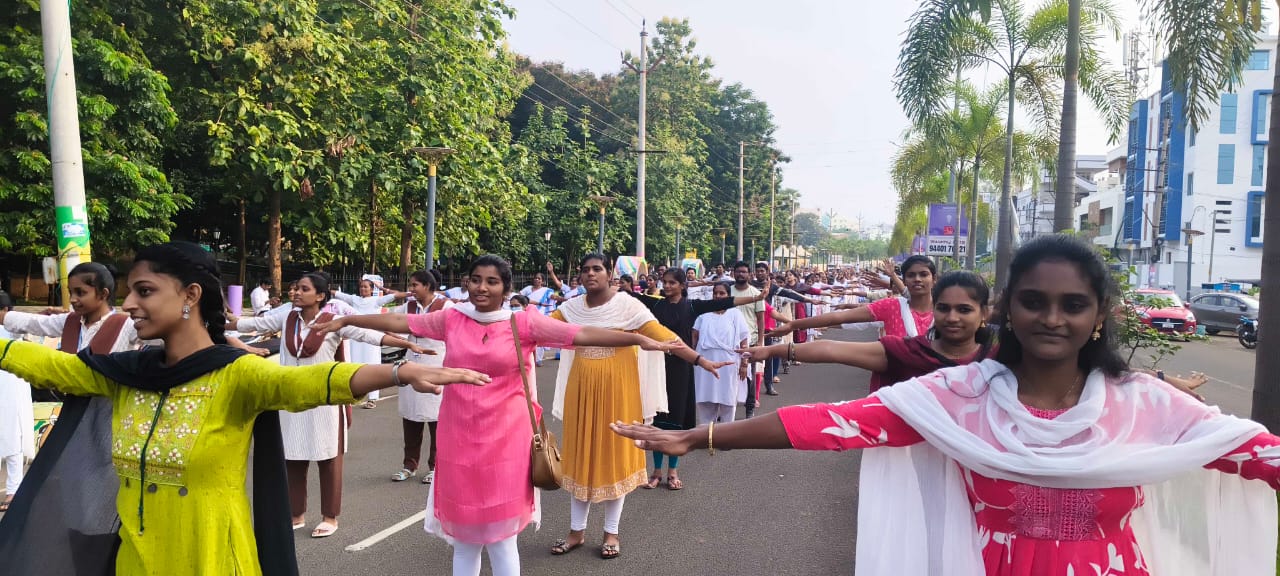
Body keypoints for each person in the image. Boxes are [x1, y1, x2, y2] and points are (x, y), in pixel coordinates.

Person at [613, 234, 1280, 576]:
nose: (1052, 318)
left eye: (1073, 304)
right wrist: (698, 440)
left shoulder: (1144, 405)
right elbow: (837, 425)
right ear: (1007, 311)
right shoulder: (959, 396)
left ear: (1100, 315)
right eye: (1034, 302)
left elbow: (1254, 453)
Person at [0, 241, 488, 576]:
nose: (129, 304)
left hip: (212, 558)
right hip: (136, 560)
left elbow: (308, 381)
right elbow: (46, 365)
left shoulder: (234, 374)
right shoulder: (126, 374)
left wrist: (399, 371)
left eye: (144, 291)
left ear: (191, 296)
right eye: (129, 291)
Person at [313, 254, 683, 576]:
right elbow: (398, 323)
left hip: (507, 439)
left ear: (506, 288)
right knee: (465, 539)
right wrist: (348, 322)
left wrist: (635, 338)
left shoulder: (523, 323)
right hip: (458, 436)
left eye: (492, 282)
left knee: (502, 538)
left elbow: (582, 334)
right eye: (475, 280)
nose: (482, 288)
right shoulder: (452, 319)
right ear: (466, 283)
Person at [549, 254, 727, 560]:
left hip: (620, 390)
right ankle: (576, 532)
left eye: (597, 269)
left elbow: (665, 337)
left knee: (614, 455)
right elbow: (536, 329)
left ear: (609, 275)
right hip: (580, 390)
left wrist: (699, 360)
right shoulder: (571, 308)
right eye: (585, 270)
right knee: (580, 455)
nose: (590, 274)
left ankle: (611, 533)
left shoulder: (628, 305)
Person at [228, 272, 424, 539]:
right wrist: (226, 319)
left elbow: (368, 335)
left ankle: (329, 517)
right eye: (294, 288)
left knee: (328, 459)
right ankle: (296, 514)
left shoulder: (334, 321)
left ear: (320, 295)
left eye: (303, 289)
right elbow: (255, 323)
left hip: (326, 400)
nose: (295, 292)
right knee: (293, 458)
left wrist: (404, 343)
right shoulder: (287, 317)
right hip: (292, 400)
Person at [623, 269, 764, 490]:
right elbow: (632, 297)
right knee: (658, 419)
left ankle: (673, 471)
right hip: (657, 367)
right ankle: (656, 472)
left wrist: (756, 298)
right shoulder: (657, 305)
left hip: (682, 367)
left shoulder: (691, 306)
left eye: (672, 283)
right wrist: (616, 288)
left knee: (676, 420)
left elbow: (729, 301)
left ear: (682, 285)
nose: (667, 286)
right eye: (665, 282)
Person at [742, 271, 994, 394]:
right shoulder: (902, 346)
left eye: (964, 310)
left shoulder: (999, 360)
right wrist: (781, 341)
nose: (952, 318)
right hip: (898, 405)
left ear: (984, 313)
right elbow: (834, 347)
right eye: (944, 309)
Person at [769, 254, 936, 390]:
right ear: (905, 280)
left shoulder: (948, 313)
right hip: (892, 391)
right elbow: (839, 318)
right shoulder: (892, 306)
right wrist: (793, 325)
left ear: (934, 279)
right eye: (911, 275)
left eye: (923, 274)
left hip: (935, 395)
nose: (918, 279)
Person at [390, 270, 451, 485]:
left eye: (415, 285)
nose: (412, 289)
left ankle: (437, 466)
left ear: (427, 285)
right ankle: (409, 465)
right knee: (411, 416)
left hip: (437, 363)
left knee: (437, 420)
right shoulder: (409, 307)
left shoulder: (446, 307)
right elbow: (388, 317)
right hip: (412, 363)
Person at [332, 278, 407, 409]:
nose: (363, 289)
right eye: (361, 286)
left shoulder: (376, 300)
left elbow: (395, 295)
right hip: (355, 338)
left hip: (372, 338)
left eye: (366, 287)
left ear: (372, 289)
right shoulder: (354, 299)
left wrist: (411, 294)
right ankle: (353, 394)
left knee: (372, 365)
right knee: (353, 364)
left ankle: (372, 398)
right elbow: (336, 294)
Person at [693, 282, 751, 426]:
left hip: (729, 364)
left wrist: (744, 364)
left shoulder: (736, 314)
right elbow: (694, 337)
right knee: (705, 399)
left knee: (728, 400)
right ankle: (706, 434)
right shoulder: (703, 314)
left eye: (722, 293)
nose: (718, 296)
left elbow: (744, 340)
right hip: (705, 363)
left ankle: (726, 436)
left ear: (728, 296)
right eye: (715, 293)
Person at [0, 292, 32, 513]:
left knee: (13, 436)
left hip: (10, 386)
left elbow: (21, 327)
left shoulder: (10, 328)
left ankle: (14, 489)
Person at [520, 273, 557, 366]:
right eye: (535, 278)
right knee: (526, 337)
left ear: (542, 281)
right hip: (526, 315)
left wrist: (558, 297)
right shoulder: (528, 288)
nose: (537, 279)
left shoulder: (546, 291)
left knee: (538, 338)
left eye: (539, 278)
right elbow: (519, 296)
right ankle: (526, 358)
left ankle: (538, 358)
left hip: (539, 317)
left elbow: (552, 296)